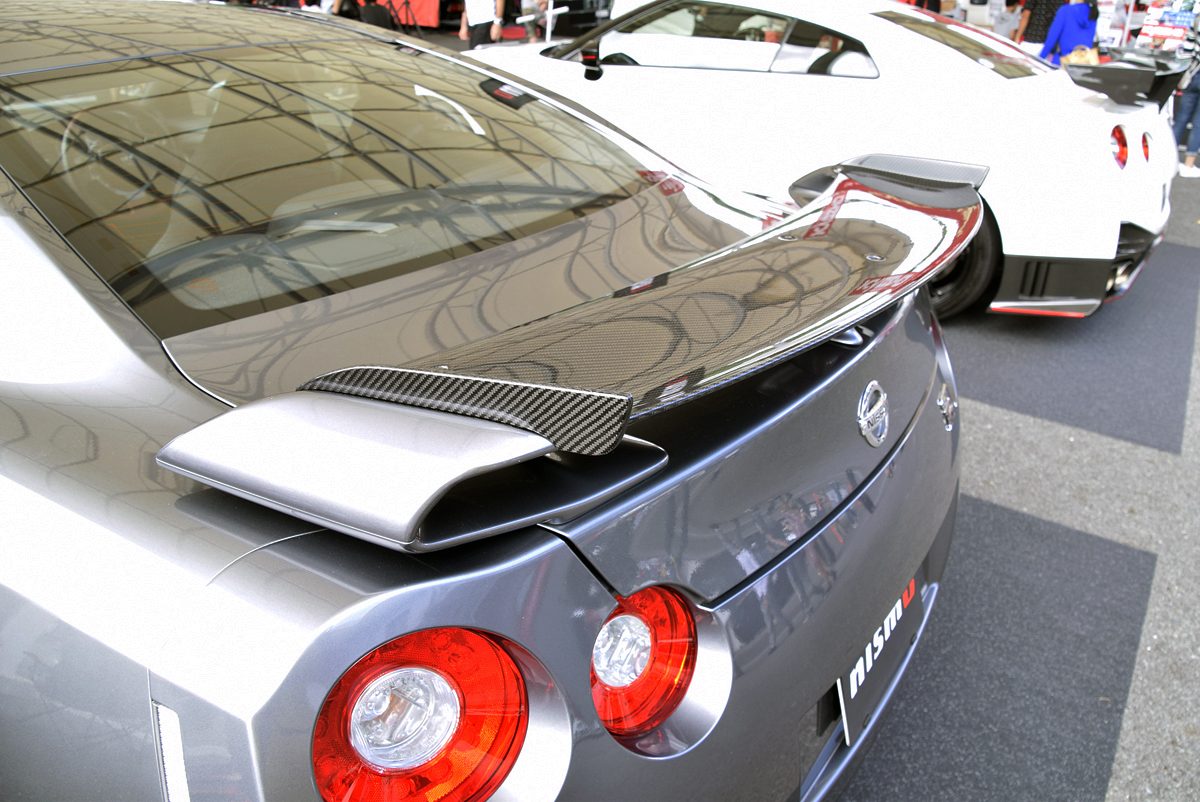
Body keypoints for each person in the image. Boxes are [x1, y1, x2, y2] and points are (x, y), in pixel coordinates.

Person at [1175, 16, 1200, 176]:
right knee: (1199, 124)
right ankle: (1188, 165)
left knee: (1181, 118)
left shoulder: (1197, 20)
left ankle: (1168, 158)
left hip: (1193, 73)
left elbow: (1185, 50)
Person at [1039, 0, 1099, 64]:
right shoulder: (1093, 12)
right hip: (1084, 61)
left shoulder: (1065, 10)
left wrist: (1041, 58)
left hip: (1064, 61)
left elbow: (1052, 38)